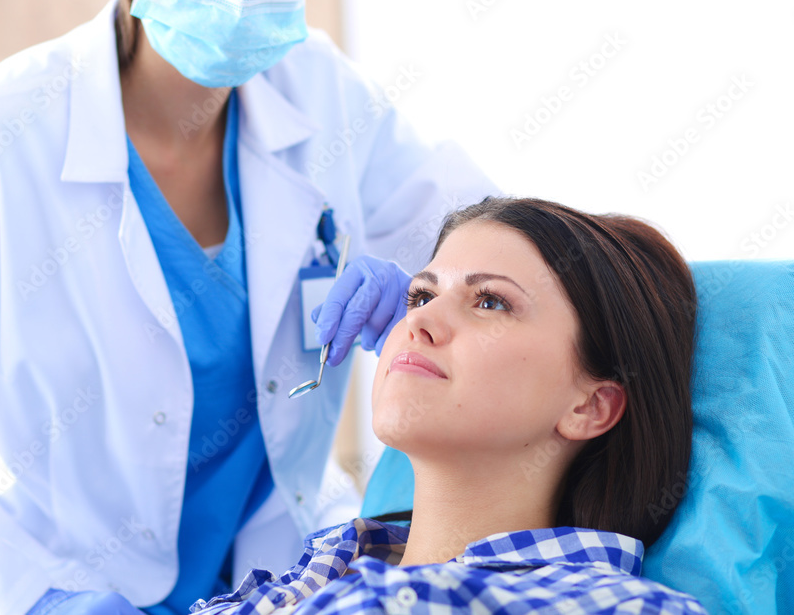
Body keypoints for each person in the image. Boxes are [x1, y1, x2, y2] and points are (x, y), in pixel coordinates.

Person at [0, 0, 497, 614]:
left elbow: (514, 257)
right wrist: (30, 598)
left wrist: (424, 292)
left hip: (290, 572)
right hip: (63, 574)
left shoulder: (328, 95)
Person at [190, 196, 709, 614]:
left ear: (590, 407)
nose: (417, 322)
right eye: (421, 296)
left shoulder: (615, 607)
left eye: (490, 302)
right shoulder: (314, 575)